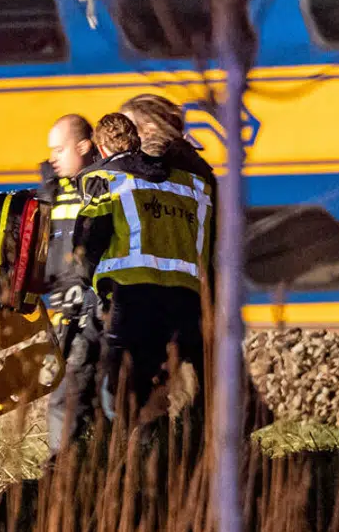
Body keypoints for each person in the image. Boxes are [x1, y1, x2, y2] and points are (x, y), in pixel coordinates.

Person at [77, 112, 212, 425]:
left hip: (131, 297)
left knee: (121, 389)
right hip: (186, 300)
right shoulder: (193, 186)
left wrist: (91, 284)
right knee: (161, 385)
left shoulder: (105, 179)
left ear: (101, 147)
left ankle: (132, 456)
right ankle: (166, 451)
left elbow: (88, 242)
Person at [37, 114, 101, 453]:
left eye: (59, 149)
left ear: (84, 146)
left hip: (90, 311)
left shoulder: (101, 189)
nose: (52, 157)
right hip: (64, 313)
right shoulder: (53, 194)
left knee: (69, 394)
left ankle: (61, 468)